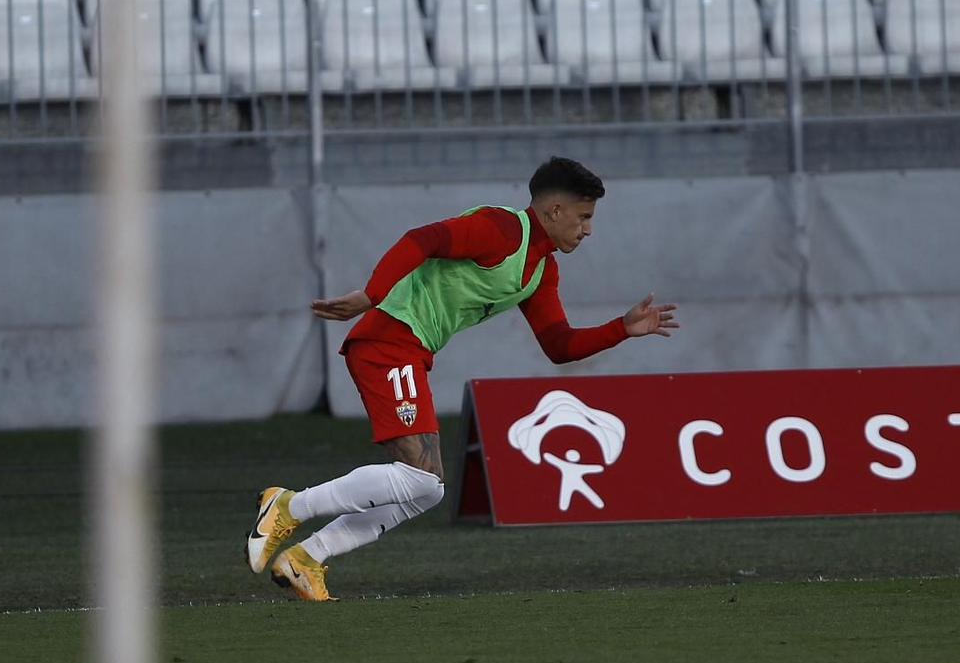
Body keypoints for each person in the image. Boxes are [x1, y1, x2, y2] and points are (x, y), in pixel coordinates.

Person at [246, 156, 678, 602]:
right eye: (584, 217)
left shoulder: (541, 269)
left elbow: (558, 345)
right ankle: (289, 506)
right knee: (419, 480)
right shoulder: (502, 230)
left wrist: (621, 330)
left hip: (408, 351)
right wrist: (370, 295)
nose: (587, 229)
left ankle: (307, 558)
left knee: (425, 492)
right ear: (554, 211)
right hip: (388, 340)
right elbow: (424, 238)